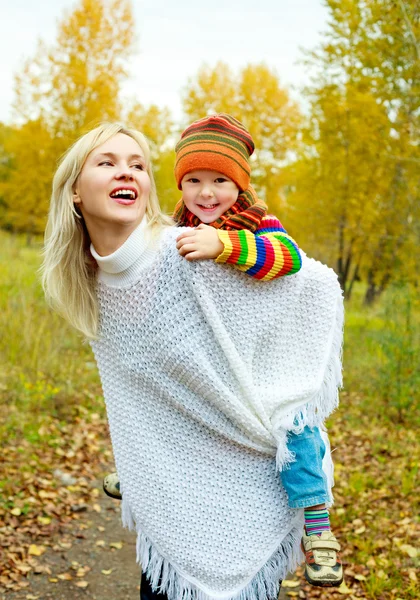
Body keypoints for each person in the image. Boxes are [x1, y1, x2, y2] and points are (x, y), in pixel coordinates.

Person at [42, 123, 344, 600]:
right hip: (169, 491)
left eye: (138, 164)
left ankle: (315, 522)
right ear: (75, 192)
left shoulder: (187, 249)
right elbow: (141, 394)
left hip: (246, 479)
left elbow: (310, 283)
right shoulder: (92, 280)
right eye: (108, 162)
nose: (127, 171)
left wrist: (226, 248)